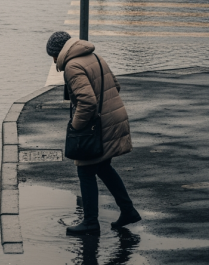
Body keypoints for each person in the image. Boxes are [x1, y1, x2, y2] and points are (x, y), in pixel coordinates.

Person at [46, 31, 141, 235]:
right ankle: (128, 210)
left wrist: (76, 126)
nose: (54, 61)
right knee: (103, 167)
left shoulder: (72, 67)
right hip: (113, 118)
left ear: (59, 52)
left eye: (53, 56)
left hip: (99, 125)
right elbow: (116, 85)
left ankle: (90, 222)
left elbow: (87, 102)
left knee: (85, 170)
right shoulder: (95, 57)